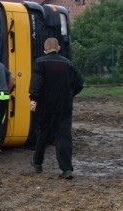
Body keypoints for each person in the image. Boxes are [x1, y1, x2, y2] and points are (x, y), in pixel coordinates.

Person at [29, 37, 84, 178]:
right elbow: (79, 83)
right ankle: (67, 169)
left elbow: (36, 83)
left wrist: (34, 99)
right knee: (63, 136)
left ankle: (37, 162)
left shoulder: (40, 63)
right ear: (58, 47)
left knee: (43, 134)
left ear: (45, 48)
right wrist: (69, 95)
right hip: (64, 107)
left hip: (45, 106)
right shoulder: (68, 64)